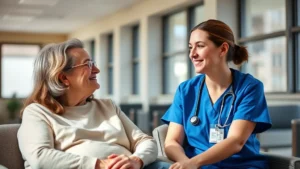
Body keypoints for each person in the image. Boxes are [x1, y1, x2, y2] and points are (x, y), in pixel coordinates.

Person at [17, 39, 171, 169]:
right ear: (63, 78)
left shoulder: (107, 106)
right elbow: (40, 156)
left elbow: (145, 141)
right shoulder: (37, 112)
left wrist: (137, 160)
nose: (96, 70)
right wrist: (100, 164)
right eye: (88, 65)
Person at [161, 19, 272, 169]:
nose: (192, 54)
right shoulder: (186, 90)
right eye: (190, 47)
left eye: (200, 46)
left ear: (223, 49)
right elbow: (171, 142)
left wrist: (193, 162)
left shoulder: (249, 88)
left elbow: (236, 141)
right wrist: (185, 163)